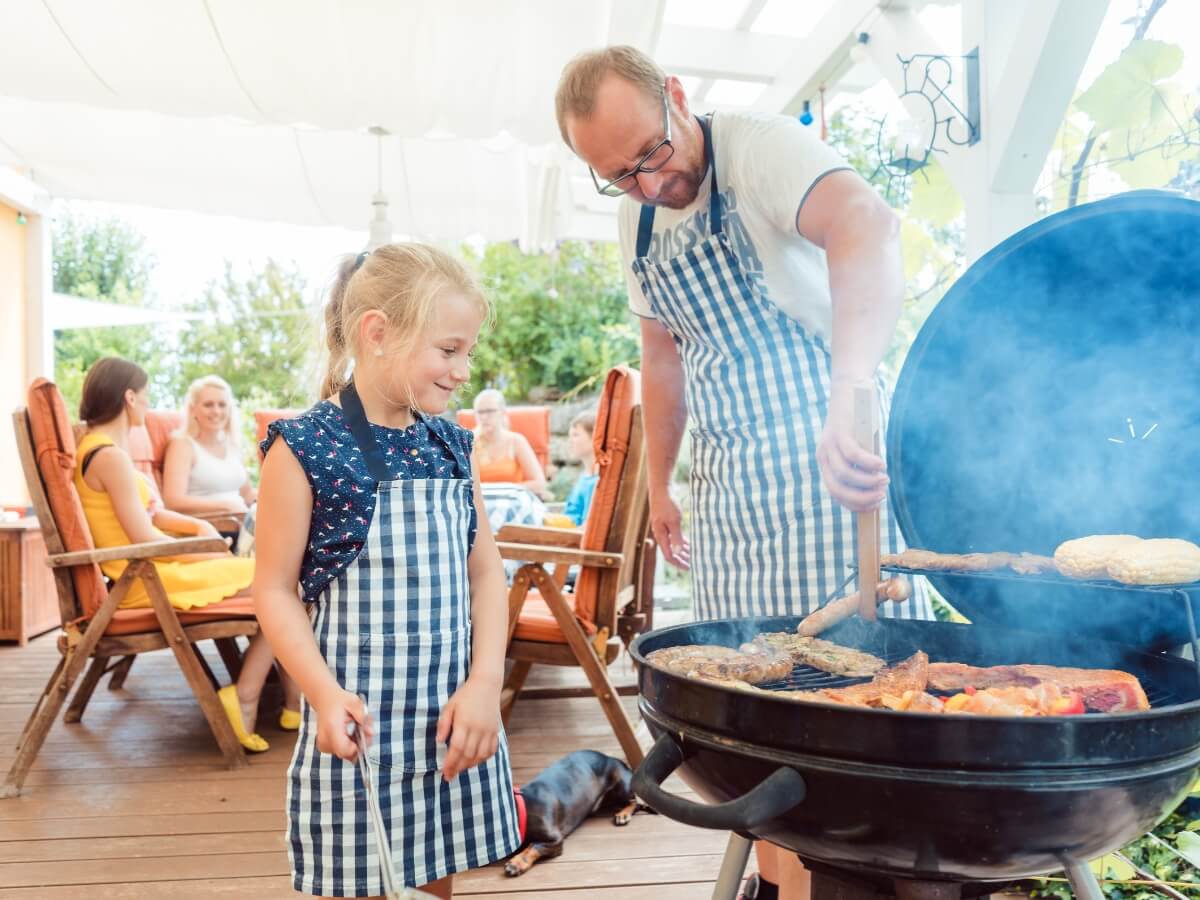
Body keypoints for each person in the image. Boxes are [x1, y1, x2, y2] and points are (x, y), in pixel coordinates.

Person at [555, 46, 932, 900]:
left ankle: (854, 877)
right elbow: (662, 352)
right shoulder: (639, 217)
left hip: (823, 473)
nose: (648, 185)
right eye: (618, 175)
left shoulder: (760, 149)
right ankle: (778, 882)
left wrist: (852, 391)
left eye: (653, 155)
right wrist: (662, 483)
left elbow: (866, 223)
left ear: (677, 97)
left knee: (844, 706)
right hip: (730, 494)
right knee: (750, 720)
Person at [252, 244, 521, 898]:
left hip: (450, 720)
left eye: (468, 352)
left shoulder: (451, 445)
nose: (463, 371)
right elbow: (274, 590)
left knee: (434, 880)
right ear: (378, 334)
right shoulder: (305, 447)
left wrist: (486, 683)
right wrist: (319, 693)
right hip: (359, 727)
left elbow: (486, 576)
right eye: (449, 349)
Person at [74, 357, 298, 753]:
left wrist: (198, 530)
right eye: (144, 397)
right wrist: (203, 554)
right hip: (145, 581)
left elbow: (150, 517)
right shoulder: (109, 457)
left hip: (147, 572)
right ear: (128, 398)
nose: (147, 404)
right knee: (284, 588)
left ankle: (274, 697)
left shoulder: (100, 450)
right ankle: (248, 695)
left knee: (278, 583)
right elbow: (143, 539)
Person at [161, 375, 255, 545]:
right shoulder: (182, 444)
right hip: (214, 532)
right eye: (208, 405)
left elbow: (247, 494)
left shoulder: (233, 444)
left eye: (222, 405)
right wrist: (224, 506)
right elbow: (173, 500)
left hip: (244, 526)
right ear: (193, 409)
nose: (216, 411)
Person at [471, 388, 547, 495]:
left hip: (512, 502)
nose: (484, 417)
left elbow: (539, 484)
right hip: (479, 505)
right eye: (479, 412)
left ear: (502, 412)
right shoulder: (469, 442)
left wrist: (505, 490)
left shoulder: (516, 441)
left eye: (489, 411)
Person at [563, 410, 598, 526]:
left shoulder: (595, 482)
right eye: (570, 436)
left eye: (575, 435)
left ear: (595, 438)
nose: (570, 441)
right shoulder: (585, 477)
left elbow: (586, 526)